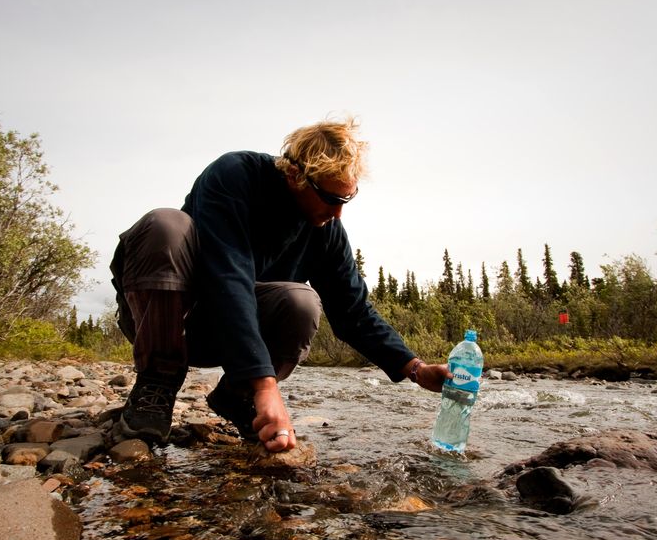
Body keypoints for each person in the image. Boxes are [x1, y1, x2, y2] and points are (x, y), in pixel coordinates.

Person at [110, 117, 452, 453]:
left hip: (225, 342)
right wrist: (266, 386)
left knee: (302, 302)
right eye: (331, 199)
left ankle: (237, 396)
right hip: (168, 322)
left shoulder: (326, 230)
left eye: (346, 200)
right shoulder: (235, 176)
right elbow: (228, 279)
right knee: (165, 225)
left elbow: (354, 311)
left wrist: (416, 369)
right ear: (294, 175)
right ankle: (157, 382)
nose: (338, 214)